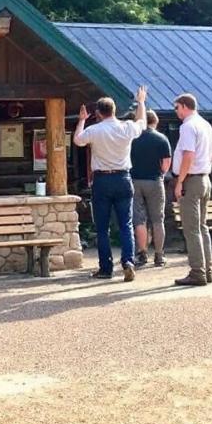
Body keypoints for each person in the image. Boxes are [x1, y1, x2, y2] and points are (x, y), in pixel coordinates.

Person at [73, 86, 148, 282]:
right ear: (114, 110)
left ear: (98, 113)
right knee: (126, 224)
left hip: (102, 180)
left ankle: (106, 268)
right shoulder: (126, 128)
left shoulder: (94, 130)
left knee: (102, 227)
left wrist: (82, 119)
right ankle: (128, 262)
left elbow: (78, 140)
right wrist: (141, 102)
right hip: (123, 177)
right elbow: (142, 122)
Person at [172, 93, 212, 287]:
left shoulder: (188, 127)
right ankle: (207, 270)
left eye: (176, 108)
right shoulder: (206, 125)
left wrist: (180, 181)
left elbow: (188, 155)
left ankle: (197, 272)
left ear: (184, 106)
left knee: (191, 229)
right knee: (202, 227)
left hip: (192, 180)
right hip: (205, 178)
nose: (176, 112)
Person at [130, 109, 172, 267]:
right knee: (157, 219)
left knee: (139, 219)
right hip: (154, 181)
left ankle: (142, 253)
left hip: (134, 180)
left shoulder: (132, 138)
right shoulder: (162, 139)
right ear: (155, 122)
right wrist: (159, 173)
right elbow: (166, 165)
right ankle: (159, 255)